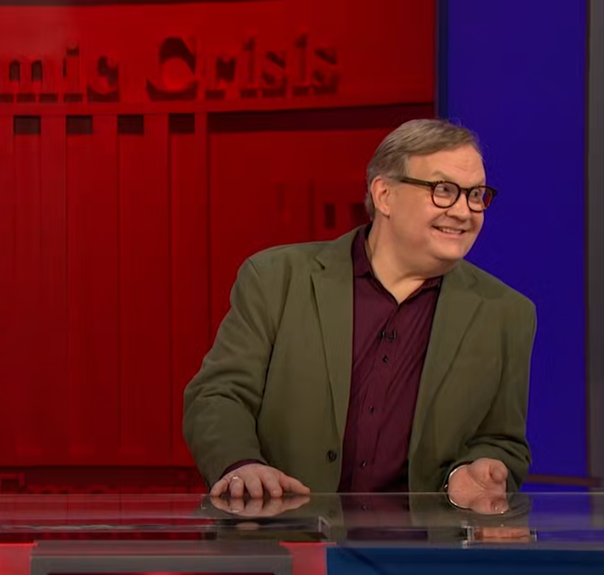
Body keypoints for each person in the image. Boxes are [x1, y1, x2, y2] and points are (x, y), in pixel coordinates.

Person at [183, 118, 536, 513]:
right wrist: (241, 464)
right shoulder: (275, 280)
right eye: (444, 191)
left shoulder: (506, 313)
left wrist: (473, 471)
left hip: (423, 541)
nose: (464, 211)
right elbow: (218, 395)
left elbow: (502, 440)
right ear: (384, 195)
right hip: (286, 533)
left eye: (475, 195)